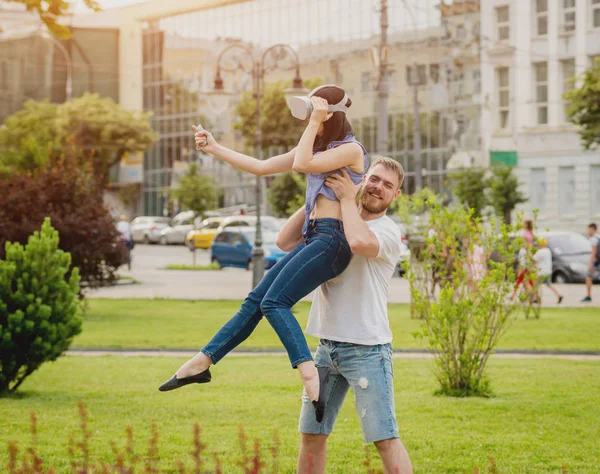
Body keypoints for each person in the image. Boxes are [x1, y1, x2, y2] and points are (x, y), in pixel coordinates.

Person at [158, 85, 368, 421]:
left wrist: (315, 120)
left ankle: (309, 373)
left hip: (332, 240)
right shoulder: (317, 146)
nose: (307, 117)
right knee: (256, 300)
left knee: (274, 303)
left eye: (314, 110)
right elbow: (261, 166)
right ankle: (202, 362)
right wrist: (215, 148)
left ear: (331, 113)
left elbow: (302, 164)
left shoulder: (350, 149)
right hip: (316, 238)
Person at [274, 157, 412, 474]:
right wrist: (317, 193)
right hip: (326, 350)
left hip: (368, 351)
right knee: (311, 434)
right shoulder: (333, 219)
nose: (378, 187)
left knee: (384, 438)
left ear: (396, 196)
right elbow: (284, 241)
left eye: (388, 185)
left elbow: (360, 242)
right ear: (363, 178)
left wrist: (348, 199)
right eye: (374, 179)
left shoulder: (387, 231)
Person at [533, 238, 563, 305]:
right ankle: (558, 295)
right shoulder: (548, 250)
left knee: (536, 285)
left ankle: (536, 298)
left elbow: (534, 259)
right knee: (549, 284)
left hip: (541, 272)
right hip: (548, 271)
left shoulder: (540, 251)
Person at [582, 223, 599, 303]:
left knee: (588, 277)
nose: (588, 231)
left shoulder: (593, 239)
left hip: (597, 262)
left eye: (589, 229)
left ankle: (588, 296)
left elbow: (593, 252)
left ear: (592, 229)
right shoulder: (599, 237)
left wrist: (590, 264)